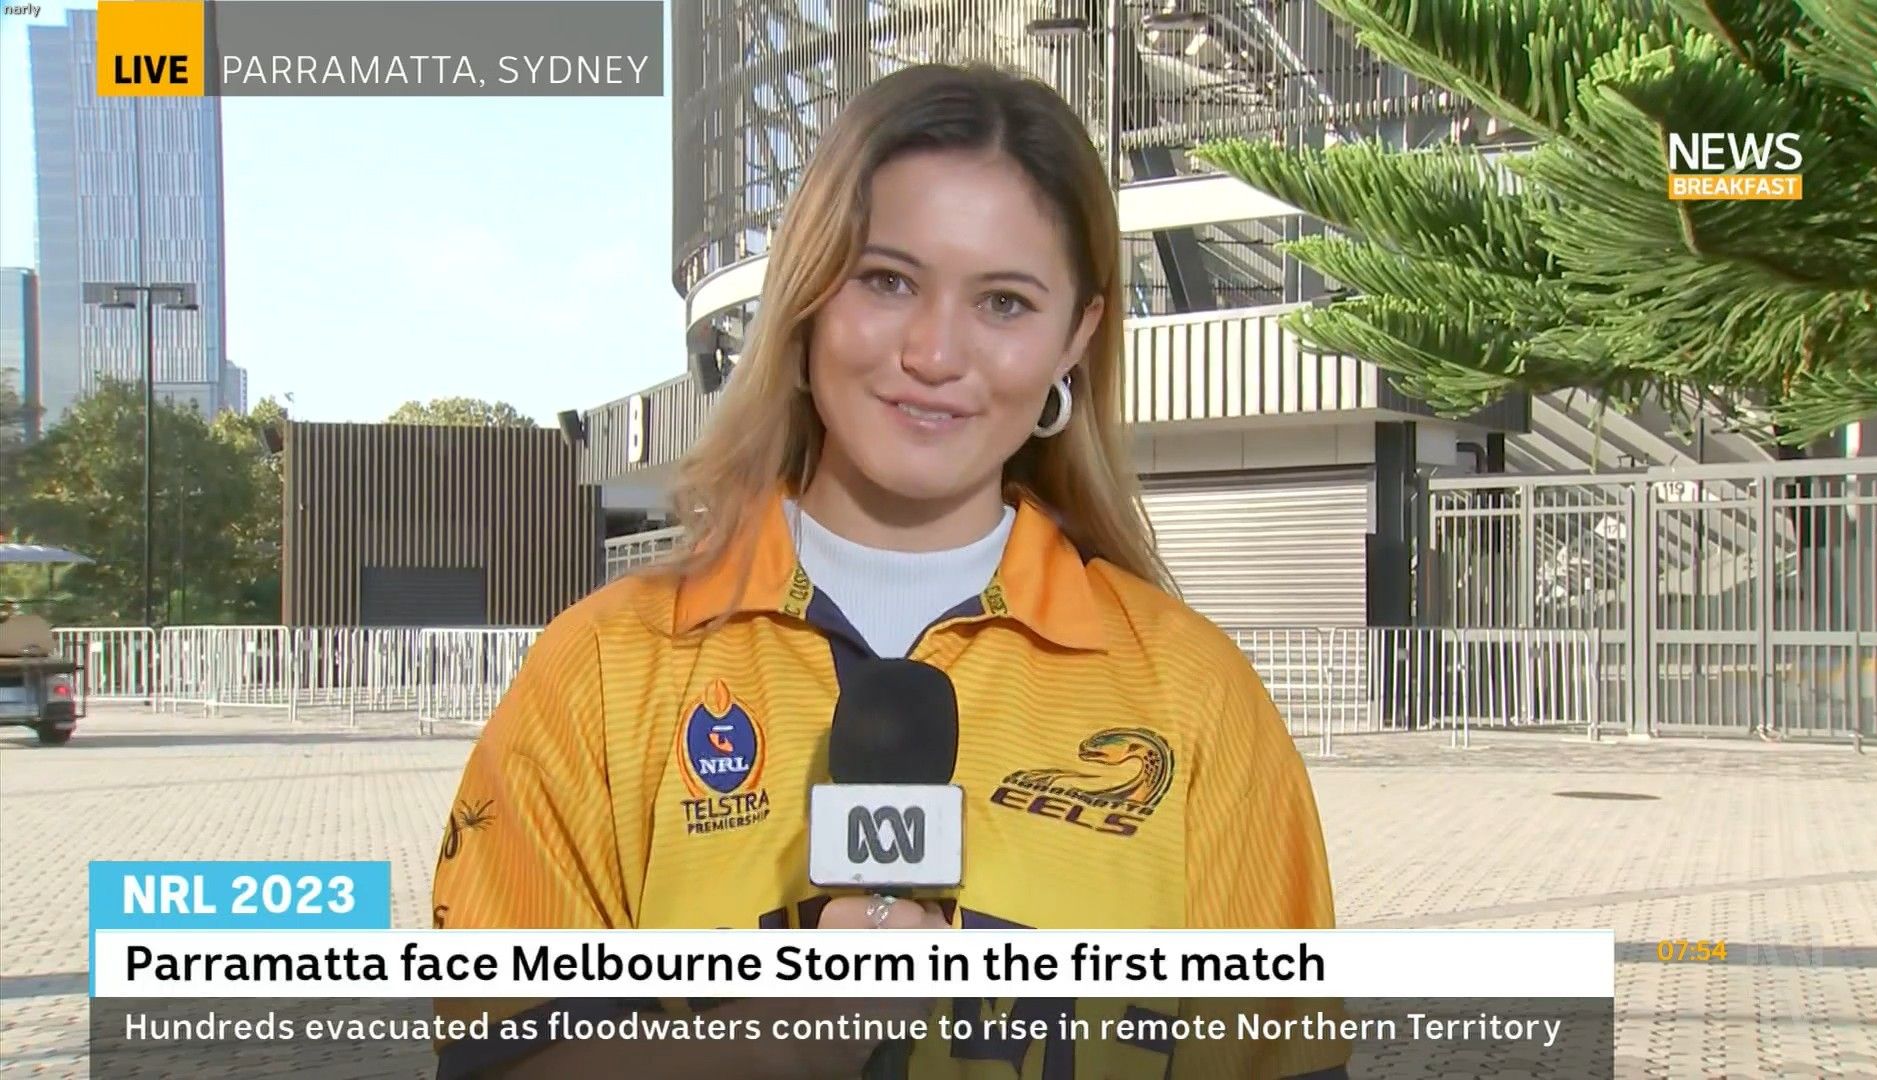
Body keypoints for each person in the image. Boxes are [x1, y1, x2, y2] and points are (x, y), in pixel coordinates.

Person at [430, 62, 1347, 1079]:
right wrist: (793, 1034)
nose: (934, 352)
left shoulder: (1196, 697)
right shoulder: (604, 671)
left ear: (1076, 337)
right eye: (887, 281)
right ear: (808, 295)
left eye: (1004, 302)